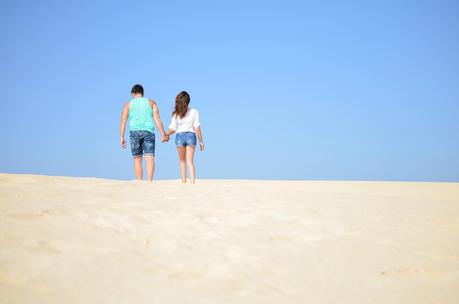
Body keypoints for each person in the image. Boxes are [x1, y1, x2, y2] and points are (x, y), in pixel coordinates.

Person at [120, 84, 167, 181]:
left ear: (133, 94)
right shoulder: (151, 103)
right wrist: (163, 134)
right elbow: (157, 119)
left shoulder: (128, 105)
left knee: (137, 159)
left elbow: (123, 121)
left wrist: (121, 136)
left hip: (134, 133)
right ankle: (149, 181)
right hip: (148, 132)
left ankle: (139, 182)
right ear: (143, 93)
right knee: (149, 158)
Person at [163, 91, 204, 183]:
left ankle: (183, 182)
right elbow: (197, 127)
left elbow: (172, 128)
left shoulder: (175, 114)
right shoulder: (194, 111)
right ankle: (193, 182)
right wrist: (201, 141)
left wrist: (165, 134)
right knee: (190, 161)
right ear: (188, 101)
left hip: (179, 137)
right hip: (191, 136)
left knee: (182, 161)